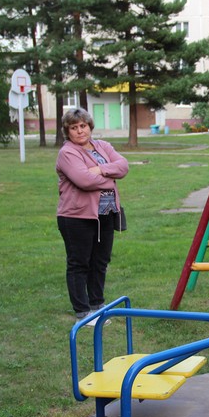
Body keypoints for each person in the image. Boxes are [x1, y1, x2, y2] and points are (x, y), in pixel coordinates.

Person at [56, 108, 129, 324]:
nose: (80, 131)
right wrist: (110, 176)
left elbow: (123, 166)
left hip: (105, 213)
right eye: (74, 127)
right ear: (67, 131)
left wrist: (99, 170)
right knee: (79, 263)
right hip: (77, 216)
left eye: (83, 126)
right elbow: (84, 180)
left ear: (90, 126)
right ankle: (82, 312)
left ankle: (97, 305)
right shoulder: (67, 153)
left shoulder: (102, 146)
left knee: (100, 261)